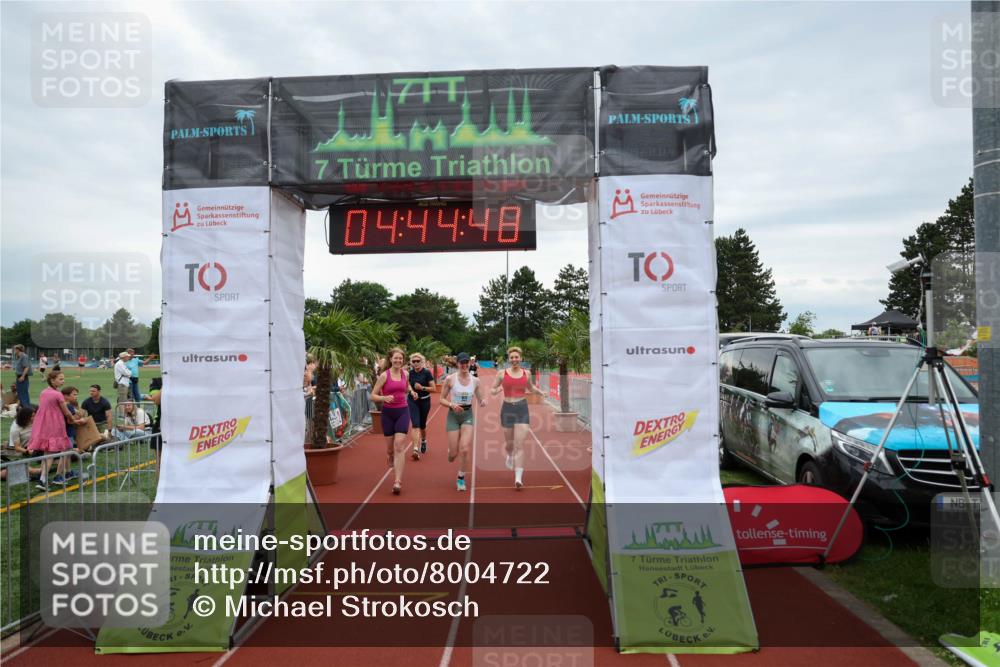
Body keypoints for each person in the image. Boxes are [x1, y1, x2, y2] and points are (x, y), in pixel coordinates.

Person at [491, 346, 546, 490]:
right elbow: (492, 389)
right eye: (512, 357)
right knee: (510, 444)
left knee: (519, 445)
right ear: (509, 359)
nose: (514, 359)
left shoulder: (526, 373)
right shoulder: (502, 374)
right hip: (507, 409)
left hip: (522, 408)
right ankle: (509, 455)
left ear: (521, 359)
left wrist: (541, 393)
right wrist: (497, 390)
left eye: (517, 357)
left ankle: (518, 478)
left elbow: (531, 388)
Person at [440, 353, 486, 491]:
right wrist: (452, 405)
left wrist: (483, 401)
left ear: (470, 364)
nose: (465, 365)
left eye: (467, 363)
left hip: (467, 415)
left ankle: (460, 478)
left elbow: (480, 398)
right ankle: (451, 452)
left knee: (465, 449)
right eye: (462, 363)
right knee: (453, 454)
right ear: (458, 364)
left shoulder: (475, 381)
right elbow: (441, 399)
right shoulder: (450, 379)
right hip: (453, 415)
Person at [370, 348, 412, 495]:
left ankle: (397, 481)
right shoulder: (384, 375)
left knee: (400, 445)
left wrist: (411, 391)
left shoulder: (405, 374)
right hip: (388, 413)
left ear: (403, 360)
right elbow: (372, 395)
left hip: (403, 411)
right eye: (396, 358)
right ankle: (389, 454)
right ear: (390, 359)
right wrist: (383, 398)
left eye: (400, 358)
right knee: (390, 449)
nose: (398, 361)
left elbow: (405, 388)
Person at [27, 370, 79, 488]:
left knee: (48, 452)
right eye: (60, 379)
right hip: (55, 424)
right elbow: (66, 412)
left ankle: (44, 479)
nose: (63, 381)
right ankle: (49, 478)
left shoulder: (44, 392)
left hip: (43, 424)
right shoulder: (57, 394)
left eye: (63, 378)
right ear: (52, 380)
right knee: (55, 451)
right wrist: (73, 419)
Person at [407, 353, 436, 460]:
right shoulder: (409, 374)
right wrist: (411, 391)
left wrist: (422, 388)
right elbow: (407, 385)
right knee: (415, 424)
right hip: (412, 401)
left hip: (425, 401)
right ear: (411, 363)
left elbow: (434, 388)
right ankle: (415, 448)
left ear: (422, 362)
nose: (416, 363)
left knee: (422, 425)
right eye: (413, 361)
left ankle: (423, 440)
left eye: (418, 361)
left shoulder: (427, 373)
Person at [13, 344, 32, 409]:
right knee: (20, 393)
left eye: (15, 349)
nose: (14, 351)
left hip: (22, 377)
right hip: (19, 376)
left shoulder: (24, 356)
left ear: (18, 349)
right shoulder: (19, 356)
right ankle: (22, 408)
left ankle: (27, 409)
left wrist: (23, 376)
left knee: (24, 394)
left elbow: (26, 367)